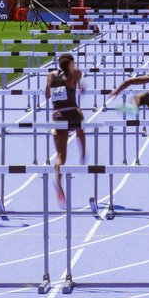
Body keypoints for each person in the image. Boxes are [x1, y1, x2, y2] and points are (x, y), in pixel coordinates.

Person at [46, 52, 86, 203]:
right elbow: (78, 73)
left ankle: (58, 181)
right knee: (81, 128)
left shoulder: (51, 76)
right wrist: (78, 83)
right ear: (70, 64)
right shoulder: (72, 75)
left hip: (57, 115)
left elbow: (47, 95)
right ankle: (82, 154)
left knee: (61, 155)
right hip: (72, 113)